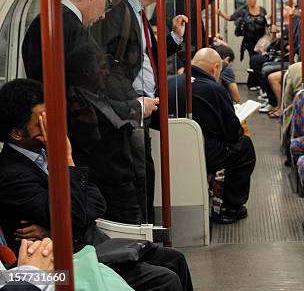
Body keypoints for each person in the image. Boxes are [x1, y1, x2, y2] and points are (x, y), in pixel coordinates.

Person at [0, 79, 193, 291]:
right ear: (18, 133)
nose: (52, 129)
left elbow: (96, 202)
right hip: (62, 266)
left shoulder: (45, 154)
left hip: (90, 245)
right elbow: (73, 217)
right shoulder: (11, 175)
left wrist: (58, 227)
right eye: (42, 123)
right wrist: (67, 160)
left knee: (175, 260)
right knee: (164, 280)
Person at [21, 0, 157, 225]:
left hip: (78, 146)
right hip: (95, 156)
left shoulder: (46, 21)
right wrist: (135, 108)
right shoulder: (73, 34)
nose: (104, 13)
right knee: (125, 225)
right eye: (106, 3)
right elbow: (89, 104)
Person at [91, 0, 187, 223]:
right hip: (130, 107)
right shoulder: (119, 15)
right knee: (138, 171)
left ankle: (148, 225)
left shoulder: (138, 14)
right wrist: (133, 100)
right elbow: (111, 65)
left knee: (144, 168)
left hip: (142, 104)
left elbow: (147, 55)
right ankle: (143, 228)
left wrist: (174, 38)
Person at [190, 48, 256, 224]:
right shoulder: (214, 89)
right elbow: (232, 133)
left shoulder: (171, 82)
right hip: (207, 153)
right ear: (215, 68)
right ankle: (230, 207)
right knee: (244, 146)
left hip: (173, 150)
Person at [219, 0, 268, 89]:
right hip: (249, 41)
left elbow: (267, 23)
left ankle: (256, 83)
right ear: (247, 0)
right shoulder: (243, 10)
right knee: (253, 60)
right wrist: (220, 13)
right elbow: (230, 18)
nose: (253, 0)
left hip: (261, 41)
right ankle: (254, 83)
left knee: (257, 61)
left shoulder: (262, 10)